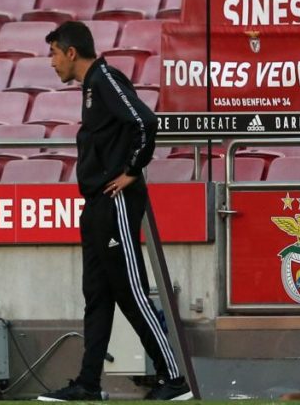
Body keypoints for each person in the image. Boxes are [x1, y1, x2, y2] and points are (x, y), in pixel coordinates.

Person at [37, 21, 191, 402]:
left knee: (131, 291)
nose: (51, 62)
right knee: (98, 295)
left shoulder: (105, 78)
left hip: (114, 201)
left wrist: (133, 170)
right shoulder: (92, 86)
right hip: (95, 203)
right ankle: (89, 383)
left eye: (54, 53)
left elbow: (145, 121)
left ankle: (173, 378)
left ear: (71, 52)